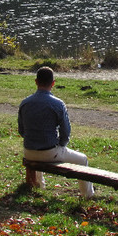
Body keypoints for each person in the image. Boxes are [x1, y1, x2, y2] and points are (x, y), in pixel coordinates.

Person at [18, 66, 94, 199]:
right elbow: (66, 131)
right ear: (53, 83)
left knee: (37, 152)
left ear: (36, 82)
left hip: (29, 151)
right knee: (83, 159)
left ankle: (39, 188)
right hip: (50, 152)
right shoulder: (58, 104)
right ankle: (87, 195)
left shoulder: (25, 103)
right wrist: (61, 144)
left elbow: (22, 130)